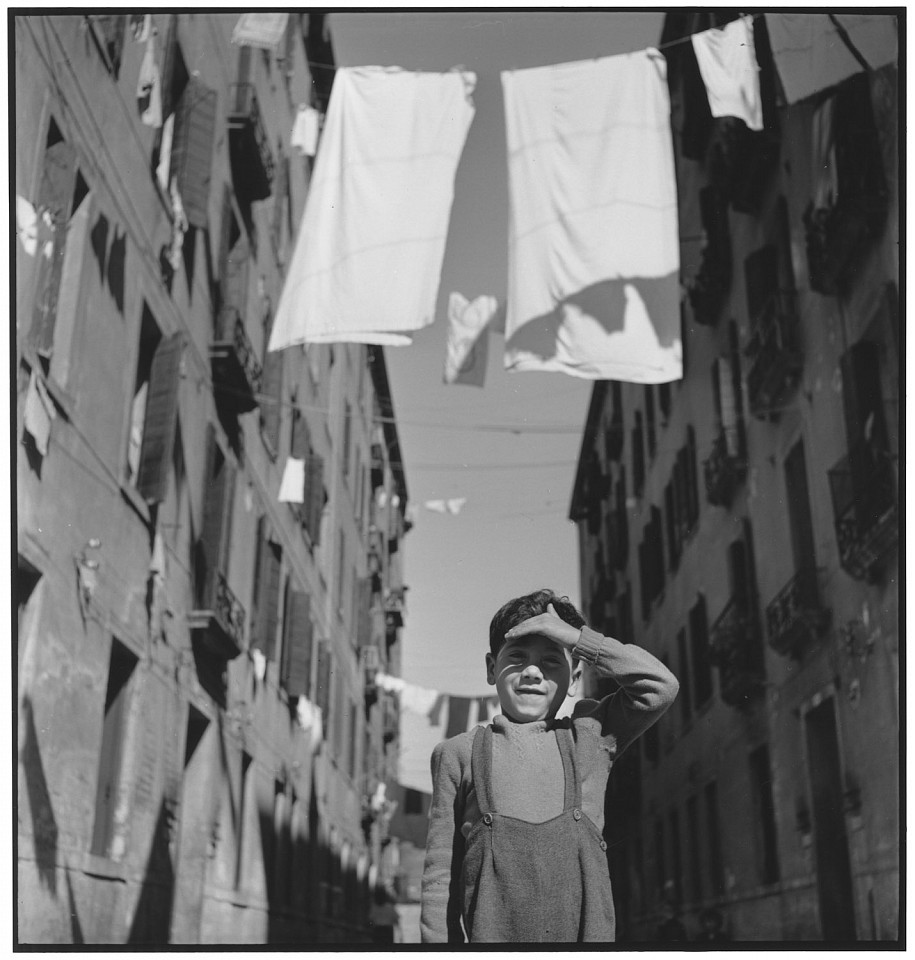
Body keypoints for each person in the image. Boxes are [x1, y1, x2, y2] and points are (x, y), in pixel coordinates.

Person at [420, 589, 679, 943]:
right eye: (517, 657)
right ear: (492, 668)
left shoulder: (590, 736)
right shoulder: (459, 754)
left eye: (551, 660)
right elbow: (440, 880)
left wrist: (580, 640)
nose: (532, 672)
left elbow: (660, 687)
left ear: (575, 679)